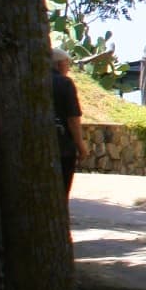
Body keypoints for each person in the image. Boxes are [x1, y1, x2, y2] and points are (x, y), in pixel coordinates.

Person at [51, 47, 83, 198]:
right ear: (58, 64)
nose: (69, 67)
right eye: (67, 63)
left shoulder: (32, 79)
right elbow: (73, 119)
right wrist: (81, 146)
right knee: (61, 190)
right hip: (63, 146)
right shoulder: (64, 83)